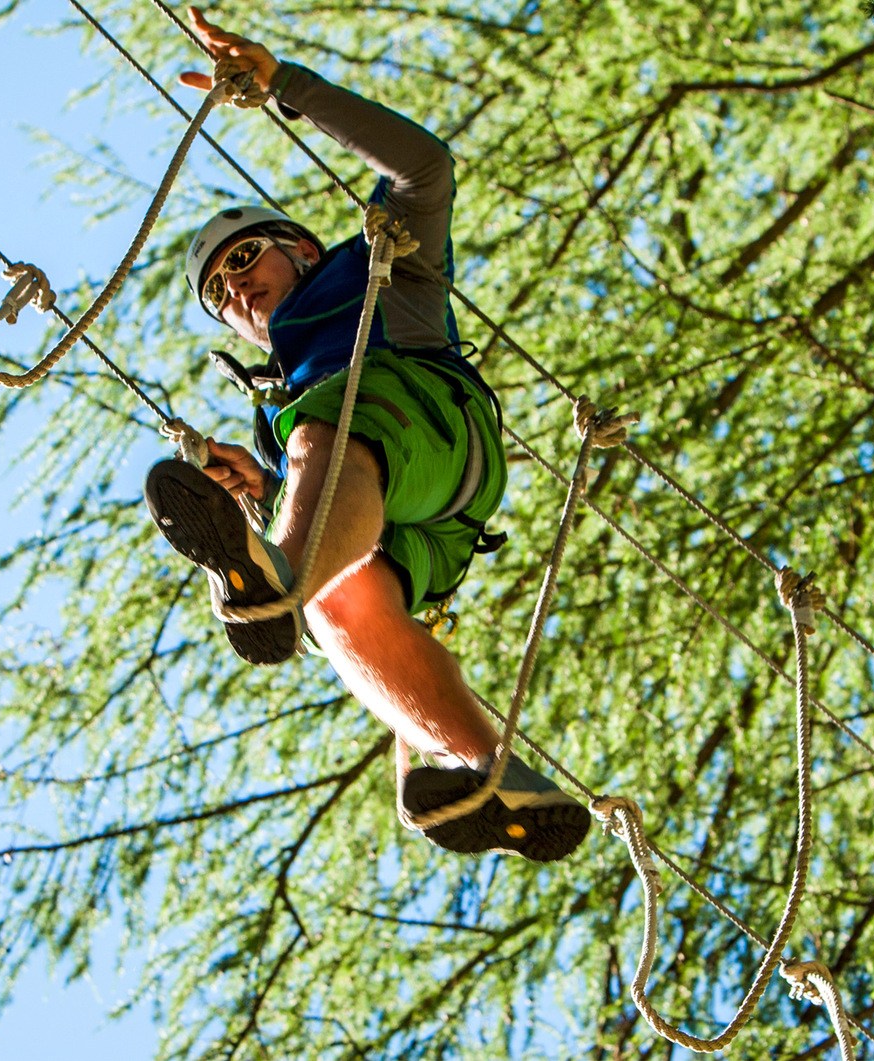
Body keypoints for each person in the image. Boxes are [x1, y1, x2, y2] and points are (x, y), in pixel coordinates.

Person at [144, 7, 589, 862]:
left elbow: (426, 165)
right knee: (337, 604)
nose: (237, 293)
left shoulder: (385, 258)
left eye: (244, 262)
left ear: (301, 250)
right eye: (219, 298)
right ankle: (491, 774)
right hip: (426, 524)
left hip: (432, 422)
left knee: (320, 452)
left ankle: (276, 570)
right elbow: (345, 495)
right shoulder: (281, 403)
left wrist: (286, 86)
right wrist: (266, 489)